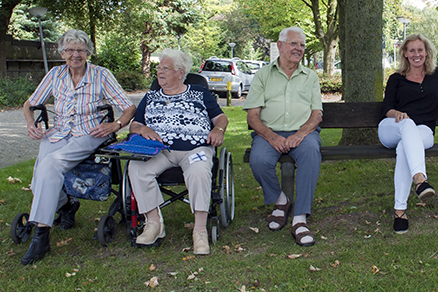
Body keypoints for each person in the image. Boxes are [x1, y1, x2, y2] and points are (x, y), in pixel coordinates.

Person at [21, 29, 136, 265]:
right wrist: (31, 123)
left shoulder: (101, 75)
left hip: (90, 133)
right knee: (39, 179)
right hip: (58, 133)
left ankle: (41, 236)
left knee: (50, 165)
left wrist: (115, 125)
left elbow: (128, 107)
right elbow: (30, 103)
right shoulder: (55, 74)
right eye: (70, 50)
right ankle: (66, 205)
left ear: (88, 53)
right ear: (62, 53)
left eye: (81, 50)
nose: (76, 55)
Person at [128, 48, 228, 255]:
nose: (160, 72)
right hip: (160, 151)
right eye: (159, 68)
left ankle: (200, 229)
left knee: (199, 171)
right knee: (136, 166)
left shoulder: (199, 93)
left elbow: (220, 118)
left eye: (166, 68)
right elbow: (134, 125)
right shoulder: (150, 96)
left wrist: (218, 129)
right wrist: (143, 128)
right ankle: (154, 223)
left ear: (180, 72)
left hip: (195, 149)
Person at [243, 26, 322, 247]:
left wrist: (300, 134)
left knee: (310, 153)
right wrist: (271, 137)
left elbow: (317, 114)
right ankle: (281, 200)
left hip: (303, 133)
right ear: (280, 45)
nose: (298, 49)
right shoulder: (263, 75)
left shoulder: (310, 77)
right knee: (258, 160)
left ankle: (299, 218)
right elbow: (253, 116)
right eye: (293, 43)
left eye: (302, 45)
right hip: (269, 133)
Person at [379, 34, 438, 234]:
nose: (416, 54)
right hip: (393, 127)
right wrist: (398, 114)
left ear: (427, 52)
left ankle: (400, 211)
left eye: (420, 50)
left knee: (406, 146)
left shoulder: (436, 75)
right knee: (407, 125)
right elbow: (386, 107)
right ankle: (420, 180)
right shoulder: (396, 78)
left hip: (423, 132)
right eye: (411, 50)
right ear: (405, 53)